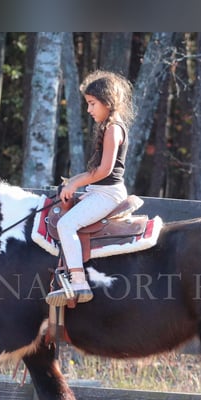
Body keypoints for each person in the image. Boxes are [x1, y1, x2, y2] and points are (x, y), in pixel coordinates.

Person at [46, 70, 134, 306]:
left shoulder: (114, 128)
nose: (89, 110)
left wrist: (75, 182)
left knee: (66, 224)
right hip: (99, 191)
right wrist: (74, 181)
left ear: (108, 101)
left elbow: (104, 171)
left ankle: (78, 281)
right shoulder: (109, 126)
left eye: (92, 103)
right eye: (88, 104)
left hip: (108, 194)